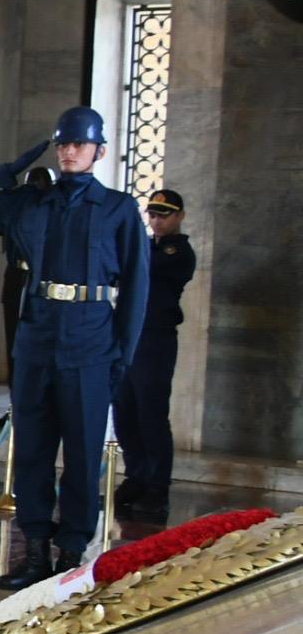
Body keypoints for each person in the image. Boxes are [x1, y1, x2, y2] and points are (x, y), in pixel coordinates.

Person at [0, 106, 149, 589]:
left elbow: (138, 288)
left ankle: (71, 553)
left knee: (81, 452)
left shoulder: (119, 209)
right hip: (37, 336)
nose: (69, 151)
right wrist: (18, 164)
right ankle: (34, 551)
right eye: (62, 144)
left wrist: (123, 353)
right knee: (34, 450)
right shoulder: (28, 204)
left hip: (91, 338)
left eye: (79, 144)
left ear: (99, 151)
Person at [115, 187, 195, 516]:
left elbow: (142, 266)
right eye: (152, 214)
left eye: (164, 214)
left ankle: (157, 486)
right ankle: (136, 475)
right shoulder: (145, 247)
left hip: (156, 339)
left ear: (179, 217)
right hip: (128, 336)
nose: (156, 220)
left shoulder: (179, 252)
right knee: (125, 411)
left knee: (151, 413)